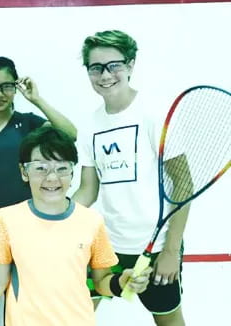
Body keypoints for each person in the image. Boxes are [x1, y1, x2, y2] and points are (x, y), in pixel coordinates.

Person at [0, 126, 151, 326]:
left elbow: (101, 282)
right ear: (24, 172)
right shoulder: (7, 219)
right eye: (40, 168)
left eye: (62, 168)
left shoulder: (92, 222)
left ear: (72, 172)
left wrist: (121, 282)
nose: (52, 178)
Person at [73, 30, 189, 325]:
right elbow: (88, 190)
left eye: (114, 65)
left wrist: (172, 250)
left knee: (168, 320)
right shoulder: (89, 126)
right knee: (76, 314)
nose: (105, 75)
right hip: (108, 246)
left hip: (157, 246)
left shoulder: (155, 113)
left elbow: (184, 183)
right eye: (95, 68)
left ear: (130, 65)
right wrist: (51, 220)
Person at [0, 56, 77, 325]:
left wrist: (38, 100)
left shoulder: (29, 123)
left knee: (25, 302)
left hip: (28, 226)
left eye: (7, 86)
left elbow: (70, 135)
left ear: (17, 87)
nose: (0, 94)